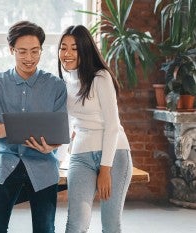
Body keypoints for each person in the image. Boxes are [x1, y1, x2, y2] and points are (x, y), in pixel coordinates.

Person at [0, 20, 67, 233]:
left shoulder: (56, 86)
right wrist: (17, 127)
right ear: (11, 50)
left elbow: (60, 130)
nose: (29, 58)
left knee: (45, 229)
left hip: (43, 163)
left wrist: (51, 146)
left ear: (41, 51)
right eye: (22, 51)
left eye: (35, 51)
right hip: (4, 162)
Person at [57, 25, 132, 233]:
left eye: (74, 48)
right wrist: (58, 160)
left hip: (115, 154)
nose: (67, 53)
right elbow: (67, 125)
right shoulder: (64, 82)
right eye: (63, 48)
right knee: (76, 223)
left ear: (85, 49)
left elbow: (112, 125)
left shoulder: (100, 77)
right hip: (81, 155)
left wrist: (105, 169)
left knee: (110, 224)